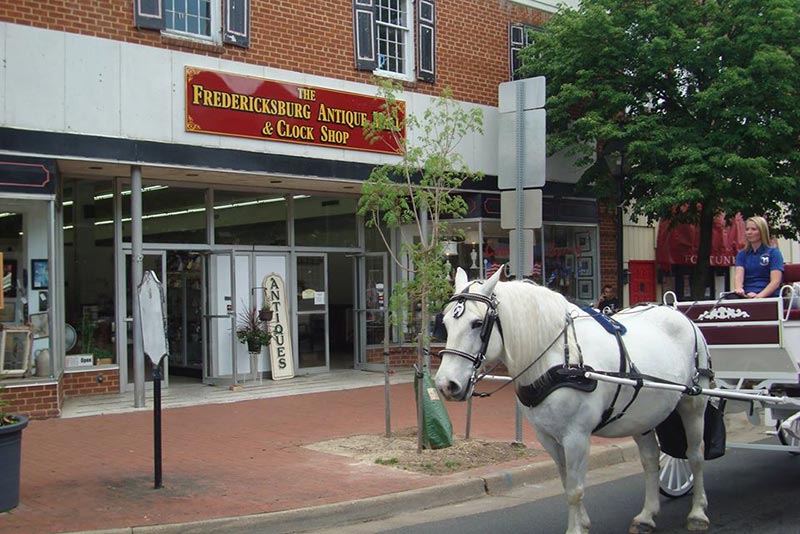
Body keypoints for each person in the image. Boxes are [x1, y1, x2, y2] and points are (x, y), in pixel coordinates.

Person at [734, 216, 784, 298]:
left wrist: (758, 297)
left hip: (769, 295)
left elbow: (775, 281)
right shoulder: (742, 254)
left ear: (762, 232)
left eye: (753, 229)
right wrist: (739, 290)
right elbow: (738, 275)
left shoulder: (773, 253)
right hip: (747, 294)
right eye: (747, 229)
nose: (749, 232)